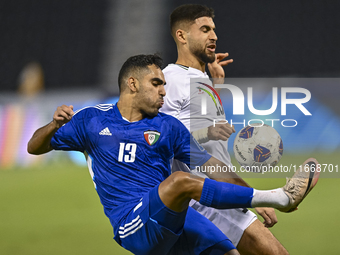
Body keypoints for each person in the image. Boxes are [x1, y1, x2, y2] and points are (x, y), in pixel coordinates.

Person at [27, 54, 319, 255]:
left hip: (174, 215)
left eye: (165, 85)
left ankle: (272, 198)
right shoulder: (91, 120)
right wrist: (53, 125)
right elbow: (34, 146)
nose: (163, 92)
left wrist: (249, 197)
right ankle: (279, 196)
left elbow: (213, 167)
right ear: (132, 83)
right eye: (156, 84)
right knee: (180, 181)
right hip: (132, 223)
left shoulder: (168, 126)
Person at [160, 4, 294, 254]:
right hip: (205, 198)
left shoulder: (199, 80)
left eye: (214, 29)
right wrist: (251, 196)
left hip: (217, 193)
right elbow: (172, 141)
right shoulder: (171, 80)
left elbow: (205, 130)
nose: (214, 36)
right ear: (182, 36)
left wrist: (216, 84)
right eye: (204, 29)